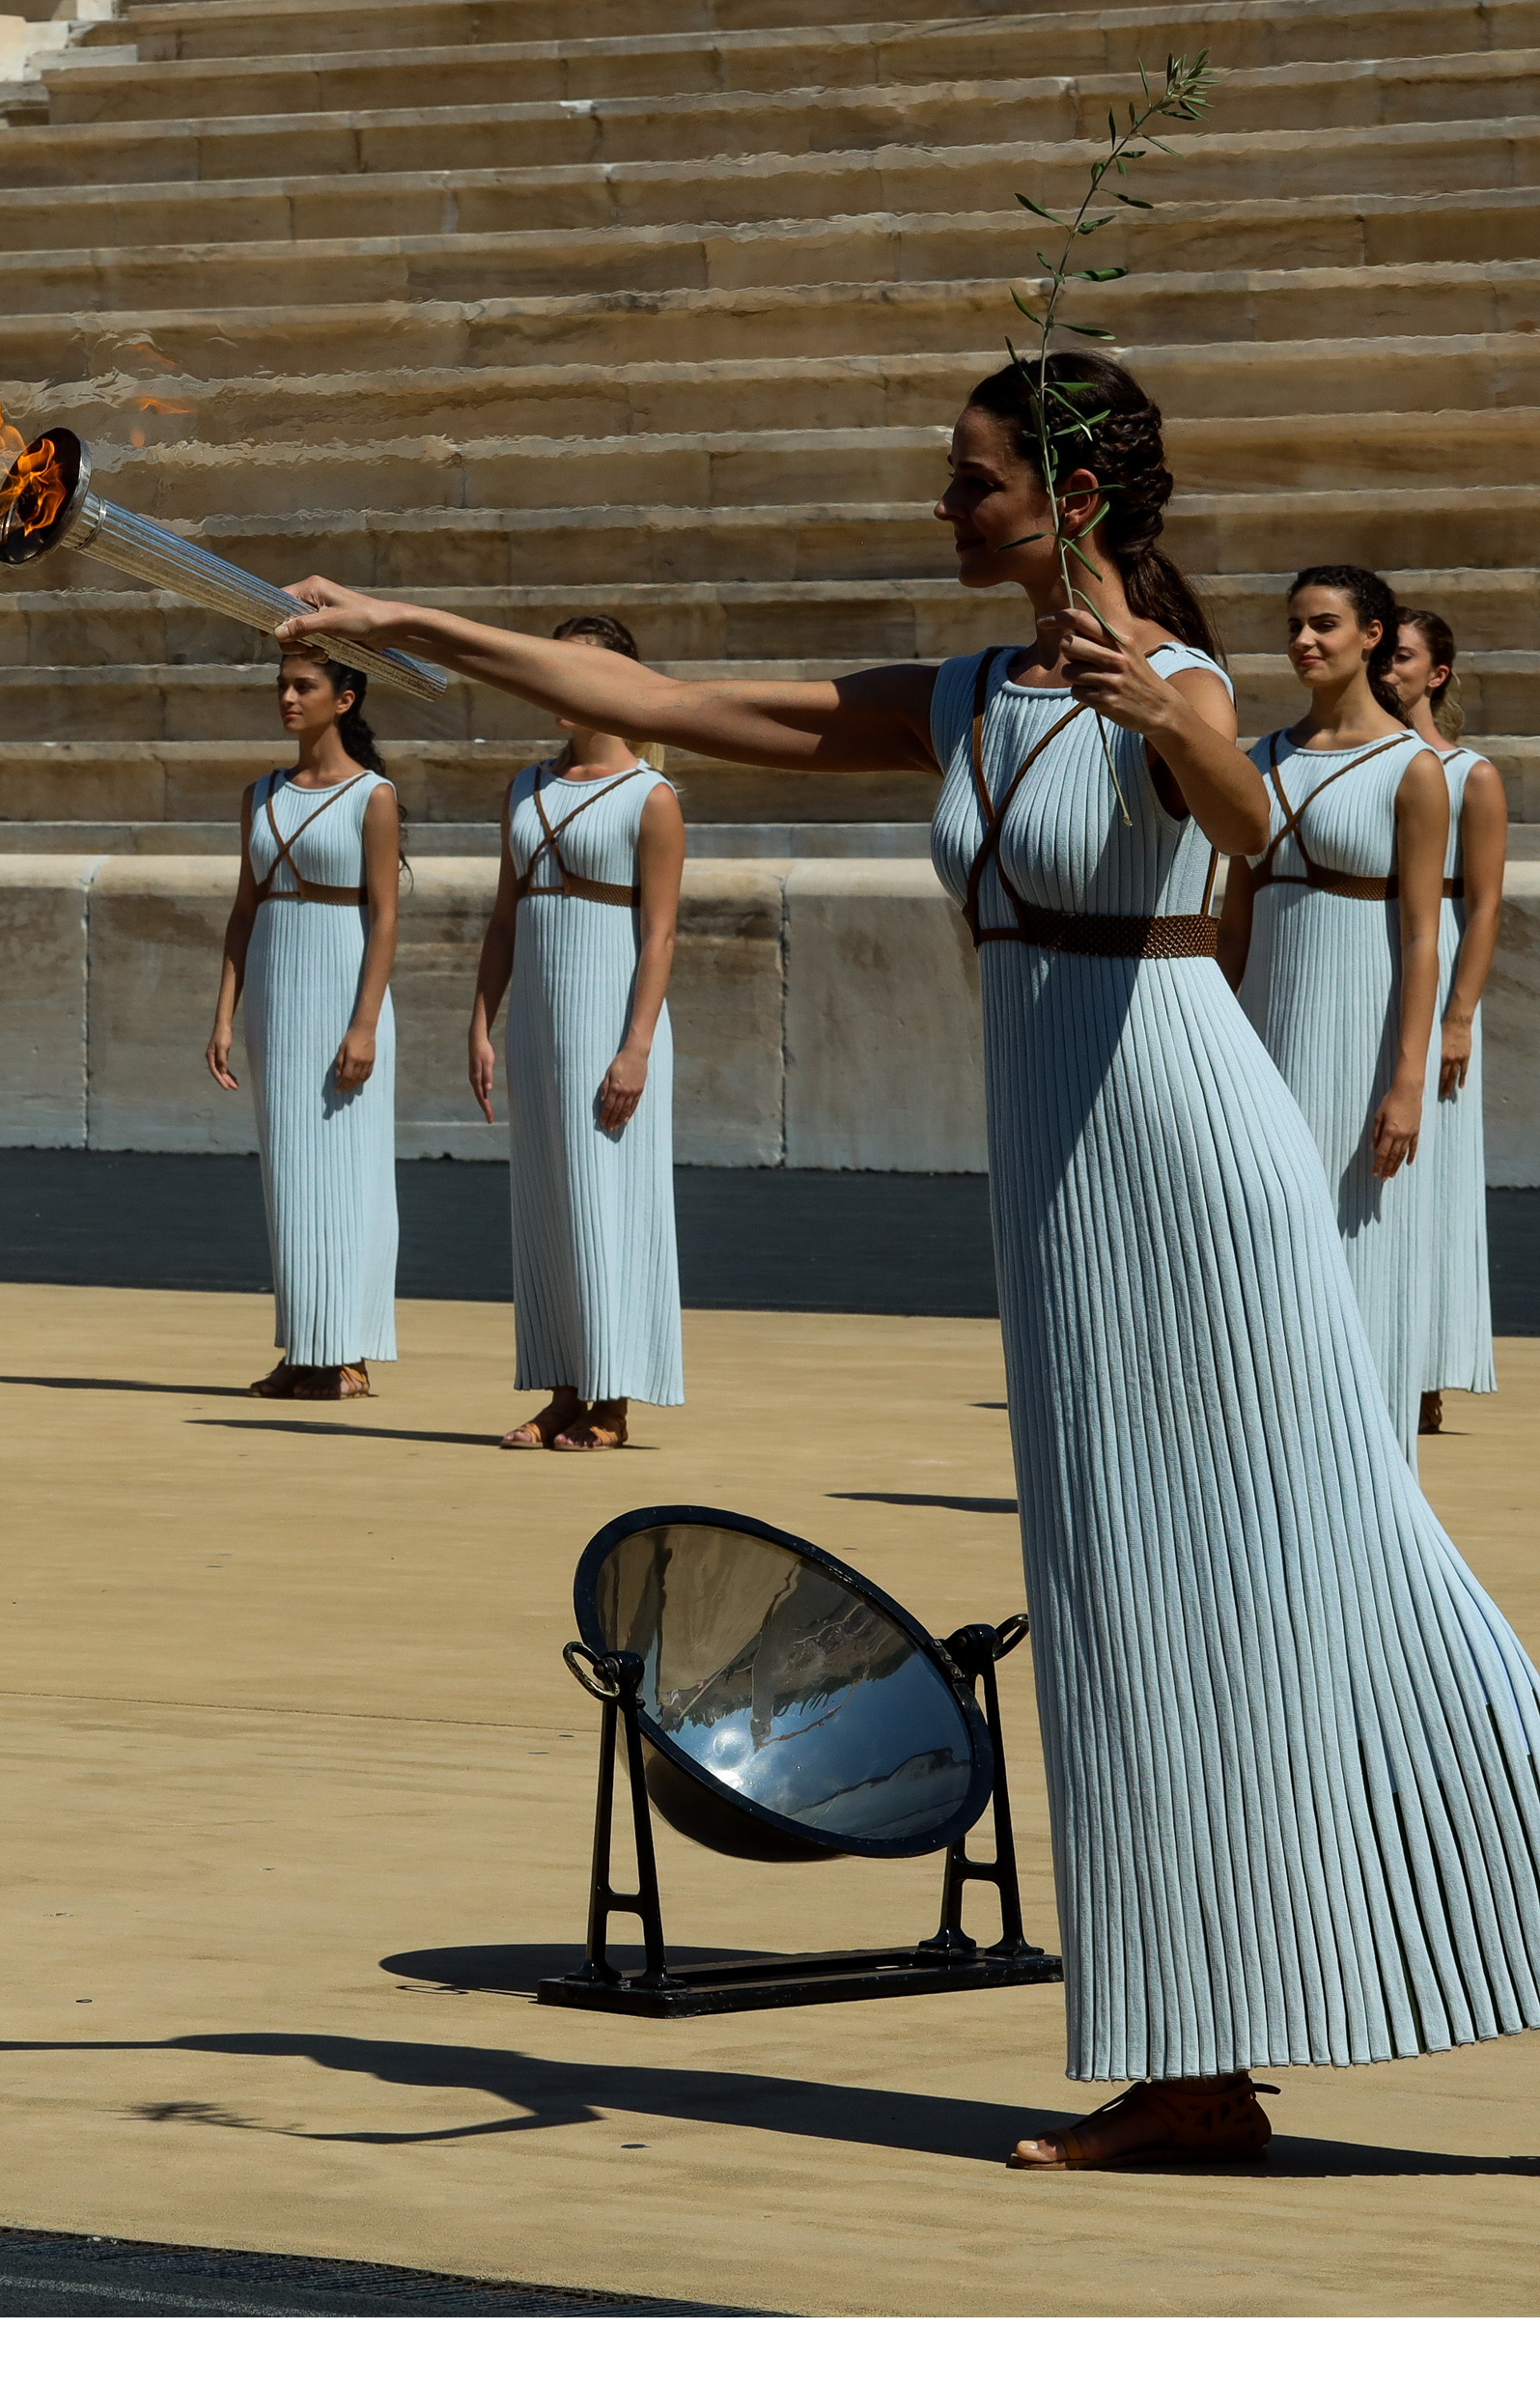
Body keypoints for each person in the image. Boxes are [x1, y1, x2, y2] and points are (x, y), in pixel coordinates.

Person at [277, 351, 1540, 2170]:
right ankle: (1195, 2069)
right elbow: (661, 698)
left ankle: (1233, 2040)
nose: (941, 510)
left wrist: (1167, 709)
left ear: (1070, 497)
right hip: (1060, 1174)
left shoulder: (1171, 676)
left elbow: (1250, 826)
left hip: (1188, 1156)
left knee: (1337, 1566)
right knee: (1122, 1610)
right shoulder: (963, 696)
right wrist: (417, 622)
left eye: (971, 483)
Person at [1218, 567, 1451, 1453]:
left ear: (1372, 635)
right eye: (1294, 626)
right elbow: (1231, 930)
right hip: (1263, 1040)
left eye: (1324, 624)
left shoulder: (1413, 769)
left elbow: (1424, 937)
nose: (1304, 641)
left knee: (1360, 1254)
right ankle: (1273, 1462)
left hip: (1360, 1046)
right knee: (1265, 1255)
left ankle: (1371, 1472)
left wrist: (1406, 1080)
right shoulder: (1256, 761)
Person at [469, 616, 684, 1451]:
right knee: (549, 1202)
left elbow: (659, 935)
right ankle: (565, 1387)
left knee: (607, 1199)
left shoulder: (650, 798)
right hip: (539, 1025)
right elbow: (502, 919)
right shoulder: (525, 786)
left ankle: (612, 1397)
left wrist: (636, 1045)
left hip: (611, 1022)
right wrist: (483, 1021)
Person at [204, 646, 399, 1399]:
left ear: (344, 699)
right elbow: (243, 911)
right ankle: (304, 1345)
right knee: (289, 1174)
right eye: (282, 684)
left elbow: (384, 917)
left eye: (304, 685)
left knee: (348, 1172)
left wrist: (365, 1022)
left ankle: (345, 1350)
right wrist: (225, 1013)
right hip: (277, 999)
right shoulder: (260, 794)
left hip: (341, 989)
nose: (287, 696)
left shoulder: (371, 796)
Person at [1386, 607, 1502, 1433]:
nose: (1386, 668)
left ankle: (1426, 1358)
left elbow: (1486, 903)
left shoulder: (1470, 775)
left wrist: (1459, 1016)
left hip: (1441, 983)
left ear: (1438, 674)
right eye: (1382, 654)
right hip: (1368, 967)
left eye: (1402, 657)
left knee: (1433, 1174)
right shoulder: (1366, 767)